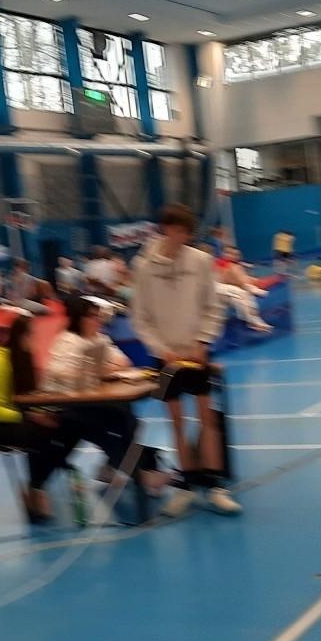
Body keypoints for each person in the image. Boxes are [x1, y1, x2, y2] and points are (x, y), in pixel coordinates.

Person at [130, 204, 240, 517]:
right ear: (166, 228)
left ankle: (216, 487)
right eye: (177, 230)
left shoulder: (200, 261)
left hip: (197, 352)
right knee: (176, 423)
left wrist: (203, 341)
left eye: (187, 232)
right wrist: (161, 349)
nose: (182, 237)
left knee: (208, 420)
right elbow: (140, 318)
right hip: (166, 357)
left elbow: (213, 306)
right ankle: (187, 488)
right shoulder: (143, 266)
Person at [43, 296, 166, 495]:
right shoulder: (65, 341)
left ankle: (115, 467)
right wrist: (96, 371)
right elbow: (58, 372)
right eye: (92, 316)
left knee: (127, 418)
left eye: (98, 316)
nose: (98, 321)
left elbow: (124, 361)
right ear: (79, 318)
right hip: (67, 404)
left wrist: (99, 370)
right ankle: (139, 474)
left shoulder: (99, 339)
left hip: (94, 400)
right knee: (111, 424)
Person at [0, 314, 78, 522]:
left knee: (68, 426)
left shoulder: (24, 359)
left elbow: (27, 397)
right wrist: (29, 416)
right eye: (32, 335)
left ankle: (38, 483)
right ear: (21, 335)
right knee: (41, 434)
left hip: (16, 418)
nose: (35, 341)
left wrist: (43, 412)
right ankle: (36, 489)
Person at [214, 246, 272, 332]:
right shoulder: (220, 263)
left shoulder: (235, 265)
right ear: (223, 253)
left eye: (236, 254)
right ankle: (253, 320)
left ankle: (253, 320)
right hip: (216, 287)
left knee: (241, 296)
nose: (232, 256)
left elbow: (236, 280)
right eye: (229, 253)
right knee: (241, 292)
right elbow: (223, 280)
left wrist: (249, 281)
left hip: (227, 289)